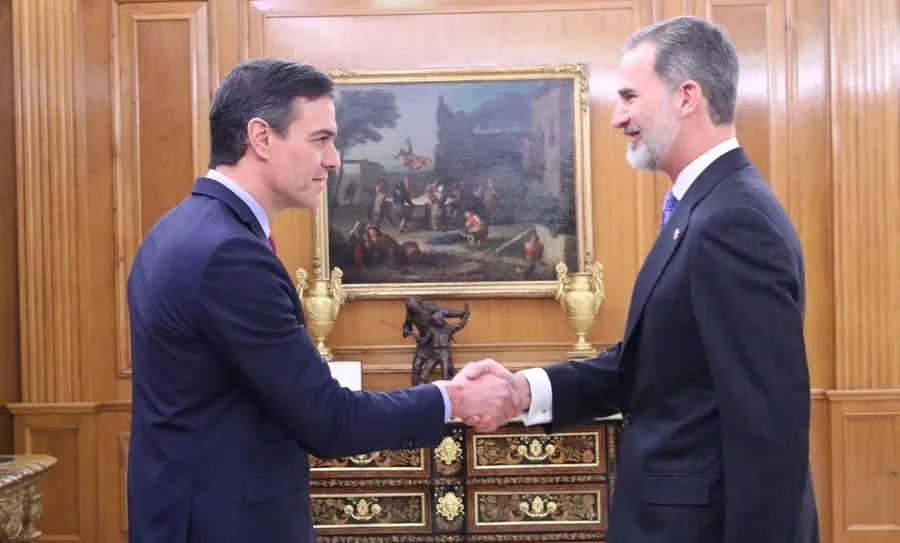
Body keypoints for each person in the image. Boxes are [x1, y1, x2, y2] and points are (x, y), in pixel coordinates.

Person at [125, 58, 520, 543]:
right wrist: (453, 397)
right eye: (320, 139)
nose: (333, 159)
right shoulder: (228, 253)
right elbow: (330, 422)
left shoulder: (179, 230)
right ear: (261, 137)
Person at [464, 15, 819, 543]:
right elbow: (658, 365)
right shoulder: (702, 208)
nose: (617, 118)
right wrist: (523, 390)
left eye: (629, 96)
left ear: (687, 96)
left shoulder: (734, 220)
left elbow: (769, 429)